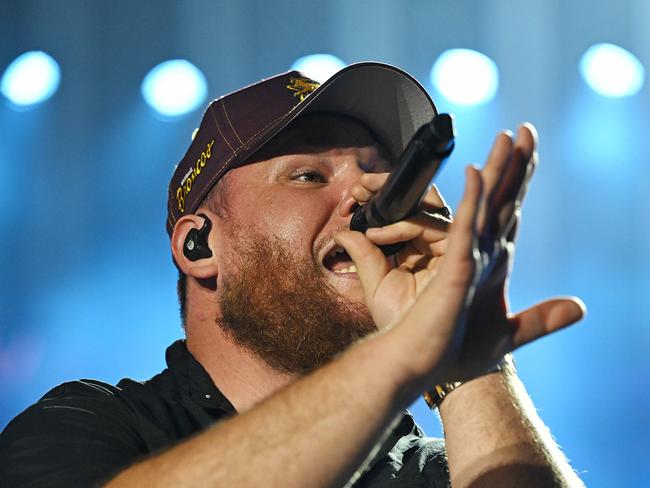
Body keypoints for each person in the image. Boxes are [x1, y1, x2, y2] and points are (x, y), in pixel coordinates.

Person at [0, 62, 586, 487]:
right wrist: (402, 356)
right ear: (200, 246)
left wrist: (470, 362)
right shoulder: (93, 429)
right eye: (308, 176)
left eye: (378, 173)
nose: (366, 197)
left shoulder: (444, 470)